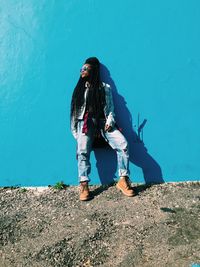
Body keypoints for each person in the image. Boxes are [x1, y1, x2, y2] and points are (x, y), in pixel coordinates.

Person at [70, 57, 135, 200]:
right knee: (82, 152)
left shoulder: (105, 87)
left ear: (93, 70)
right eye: (81, 69)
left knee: (123, 144)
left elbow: (110, 108)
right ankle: (84, 184)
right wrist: (76, 133)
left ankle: (123, 180)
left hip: (103, 122)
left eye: (85, 68)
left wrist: (110, 121)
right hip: (85, 123)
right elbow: (74, 112)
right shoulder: (80, 89)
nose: (82, 71)